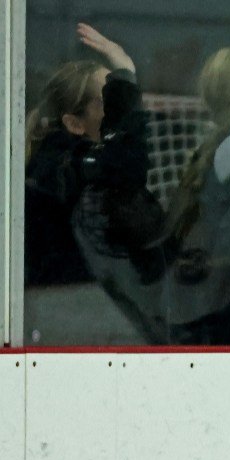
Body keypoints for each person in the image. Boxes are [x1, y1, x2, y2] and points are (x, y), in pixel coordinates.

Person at [24, 24, 159, 289]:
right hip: (73, 304)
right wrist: (124, 75)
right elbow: (126, 169)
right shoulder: (62, 167)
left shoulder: (79, 162)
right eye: (108, 101)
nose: (119, 108)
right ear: (74, 123)